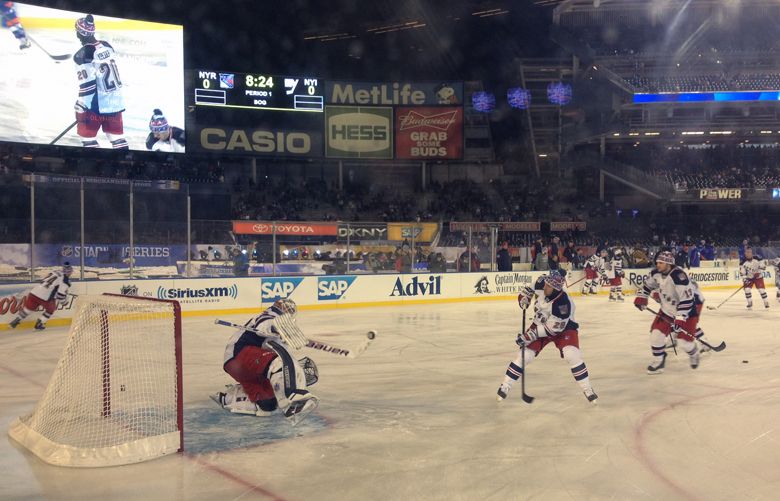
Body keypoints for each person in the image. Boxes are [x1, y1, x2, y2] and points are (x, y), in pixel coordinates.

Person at [211, 299, 319, 424]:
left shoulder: (282, 332)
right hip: (240, 354)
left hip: (243, 368)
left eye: (288, 309)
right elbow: (264, 324)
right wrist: (275, 328)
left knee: (268, 404)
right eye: (284, 307)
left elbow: (283, 355)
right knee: (279, 363)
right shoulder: (270, 315)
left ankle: (228, 398)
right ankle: (294, 397)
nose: (285, 310)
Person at [497, 272, 597, 404]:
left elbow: (554, 328)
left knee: (572, 355)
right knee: (524, 355)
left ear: (556, 289)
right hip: (540, 323)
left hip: (564, 328)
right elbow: (526, 291)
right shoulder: (541, 283)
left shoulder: (563, 304)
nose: (545, 287)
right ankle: (505, 386)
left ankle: (587, 388)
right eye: (545, 284)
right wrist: (523, 299)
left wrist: (529, 336)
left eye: (548, 286)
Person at [633, 251, 702, 374]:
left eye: (660, 262)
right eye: (657, 262)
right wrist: (642, 297)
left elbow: (687, 300)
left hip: (687, 313)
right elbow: (647, 286)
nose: (657, 265)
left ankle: (694, 352)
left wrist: (680, 318)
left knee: (683, 343)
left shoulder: (679, 276)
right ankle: (659, 361)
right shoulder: (656, 273)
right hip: (666, 311)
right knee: (655, 335)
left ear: (669, 263)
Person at [73, 14, 128, 149]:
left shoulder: (83, 54)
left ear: (80, 33)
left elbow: (88, 85)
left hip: (96, 106)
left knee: (88, 139)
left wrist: (82, 104)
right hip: (115, 102)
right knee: (117, 139)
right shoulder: (107, 46)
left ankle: (94, 169)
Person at [9, 263, 73, 330]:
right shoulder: (65, 281)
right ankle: (39, 324)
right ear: (69, 272)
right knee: (50, 310)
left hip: (34, 292)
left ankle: (16, 321)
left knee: (28, 309)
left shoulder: (55, 271)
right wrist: (64, 302)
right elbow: (60, 295)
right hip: (45, 297)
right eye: (70, 272)